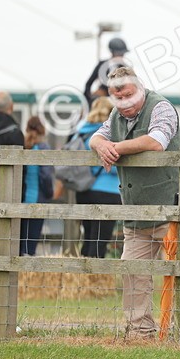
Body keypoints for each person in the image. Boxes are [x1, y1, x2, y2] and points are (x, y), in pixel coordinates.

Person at [89, 66, 180, 338]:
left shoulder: (161, 108)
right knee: (133, 272)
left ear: (140, 89)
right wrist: (100, 145)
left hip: (172, 207)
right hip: (135, 209)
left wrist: (115, 148)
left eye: (129, 95)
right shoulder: (115, 115)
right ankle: (140, 333)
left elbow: (157, 141)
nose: (125, 102)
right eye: (118, 98)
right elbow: (97, 136)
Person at [72, 97, 123, 258]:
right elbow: (118, 166)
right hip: (108, 192)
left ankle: (82, 278)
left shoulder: (81, 133)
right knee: (100, 240)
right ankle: (95, 279)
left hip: (84, 190)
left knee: (87, 237)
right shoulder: (112, 135)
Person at [20, 117, 53, 256]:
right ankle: (27, 274)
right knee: (31, 243)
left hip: (21, 200)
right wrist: (49, 192)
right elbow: (46, 175)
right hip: (38, 200)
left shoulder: (23, 146)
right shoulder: (43, 148)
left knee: (20, 241)